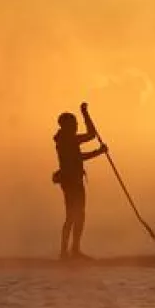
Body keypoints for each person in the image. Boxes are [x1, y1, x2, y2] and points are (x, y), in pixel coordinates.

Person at [52, 102, 107, 259]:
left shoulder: (71, 138)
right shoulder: (64, 141)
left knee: (79, 215)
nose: (76, 126)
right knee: (72, 215)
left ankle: (74, 250)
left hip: (75, 180)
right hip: (70, 182)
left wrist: (85, 114)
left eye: (76, 123)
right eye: (74, 124)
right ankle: (65, 252)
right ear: (66, 126)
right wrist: (99, 152)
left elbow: (91, 134)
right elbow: (78, 157)